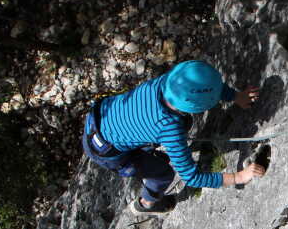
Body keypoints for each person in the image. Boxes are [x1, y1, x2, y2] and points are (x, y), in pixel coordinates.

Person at [83, 60, 266, 214]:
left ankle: (147, 149)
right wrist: (238, 177)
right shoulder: (169, 129)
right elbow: (191, 177)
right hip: (107, 151)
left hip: (100, 119)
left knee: (184, 123)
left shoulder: (167, 82)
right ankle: (145, 205)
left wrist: (235, 96)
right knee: (162, 175)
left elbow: (206, 88)